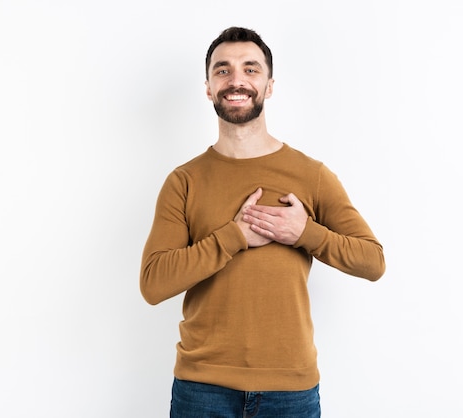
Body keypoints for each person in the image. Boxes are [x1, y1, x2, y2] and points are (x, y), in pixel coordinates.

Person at [140, 26, 385, 418]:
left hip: (290, 391)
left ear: (269, 85)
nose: (236, 80)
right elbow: (153, 284)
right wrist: (233, 236)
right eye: (223, 70)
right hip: (202, 390)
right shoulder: (184, 181)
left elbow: (373, 261)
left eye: (250, 69)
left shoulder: (311, 174)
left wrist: (304, 233)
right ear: (208, 88)